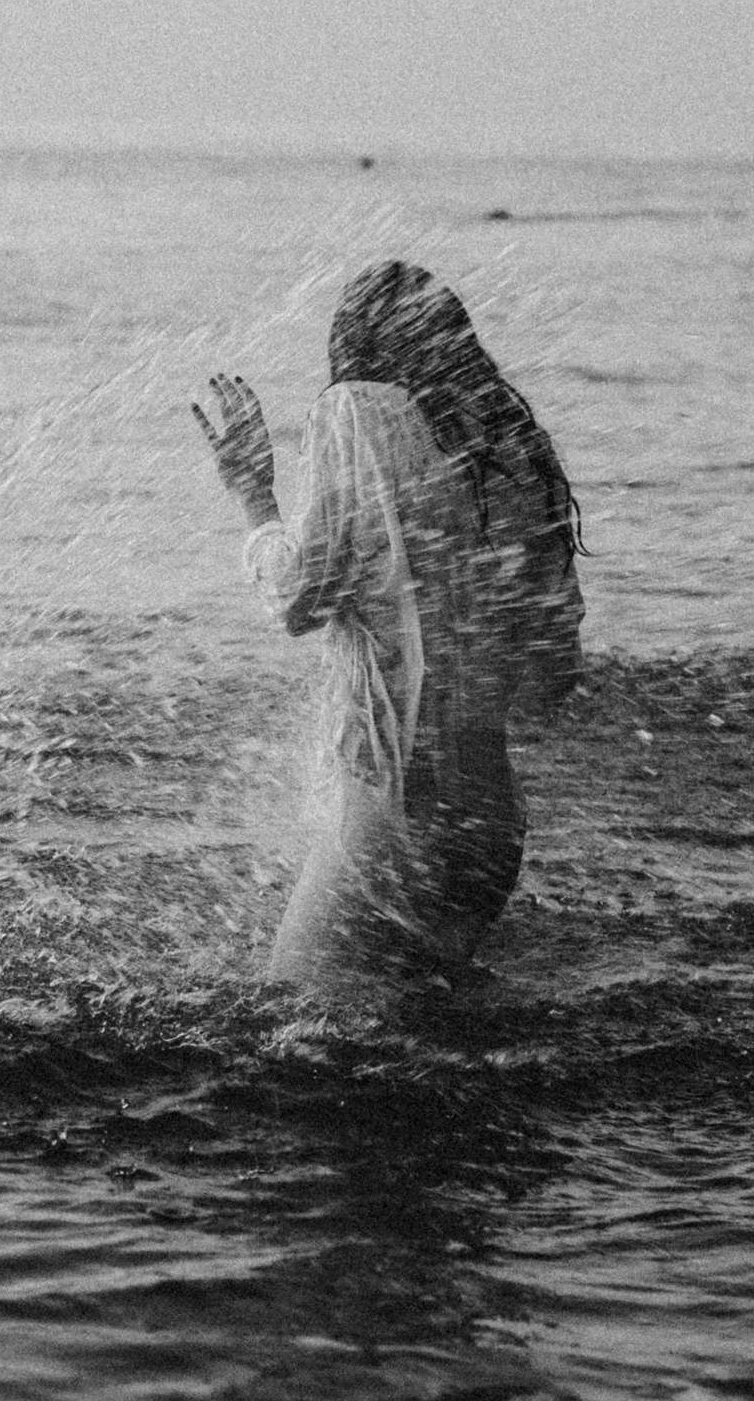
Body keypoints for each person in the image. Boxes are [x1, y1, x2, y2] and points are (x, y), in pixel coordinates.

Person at [193, 260, 583, 990]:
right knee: (433, 1050)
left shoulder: (357, 413)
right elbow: (551, 681)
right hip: (491, 828)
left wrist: (254, 495)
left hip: (397, 816)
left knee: (300, 1025)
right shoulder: (507, 452)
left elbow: (297, 599)